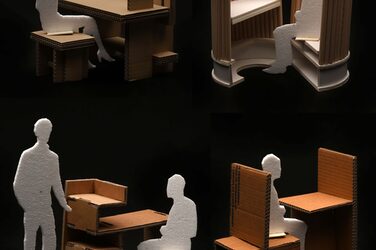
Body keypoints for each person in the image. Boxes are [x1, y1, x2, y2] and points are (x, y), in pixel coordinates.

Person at [13, 118, 72, 250]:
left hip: (46, 206)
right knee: (30, 238)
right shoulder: (27, 155)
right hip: (32, 207)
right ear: (37, 132)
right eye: (44, 130)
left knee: (50, 236)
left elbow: (56, 182)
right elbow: (18, 184)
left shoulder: (53, 157)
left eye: (48, 130)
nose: (47, 133)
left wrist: (63, 203)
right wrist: (27, 205)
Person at [35, 0, 114, 63]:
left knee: (76, 26)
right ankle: (101, 51)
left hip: (47, 24)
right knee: (90, 21)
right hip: (54, 24)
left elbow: (38, 7)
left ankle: (85, 59)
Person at [138, 174, 197, 250]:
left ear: (178, 188)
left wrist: (168, 230)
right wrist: (167, 229)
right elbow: (176, 225)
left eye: (170, 186)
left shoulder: (188, 204)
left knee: (144, 246)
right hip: (168, 240)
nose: (167, 189)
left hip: (178, 243)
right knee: (142, 246)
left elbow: (192, 231)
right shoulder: (176, 204)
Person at [263, 0, 322, 74]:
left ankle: (282, 64)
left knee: (280, 32)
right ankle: (284, 61)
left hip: (309, 29)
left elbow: (309, 16)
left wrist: (298, 15)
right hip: (310, 26)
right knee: (280, 31)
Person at [262, 154, 307, 250]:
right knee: (302, 226)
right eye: (277, 166)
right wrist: (282, 209)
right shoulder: (270, 189)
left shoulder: (266, 185)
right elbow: (274, 212)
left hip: (272, 222)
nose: (280, 169)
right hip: (274, 225)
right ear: (270, 168)